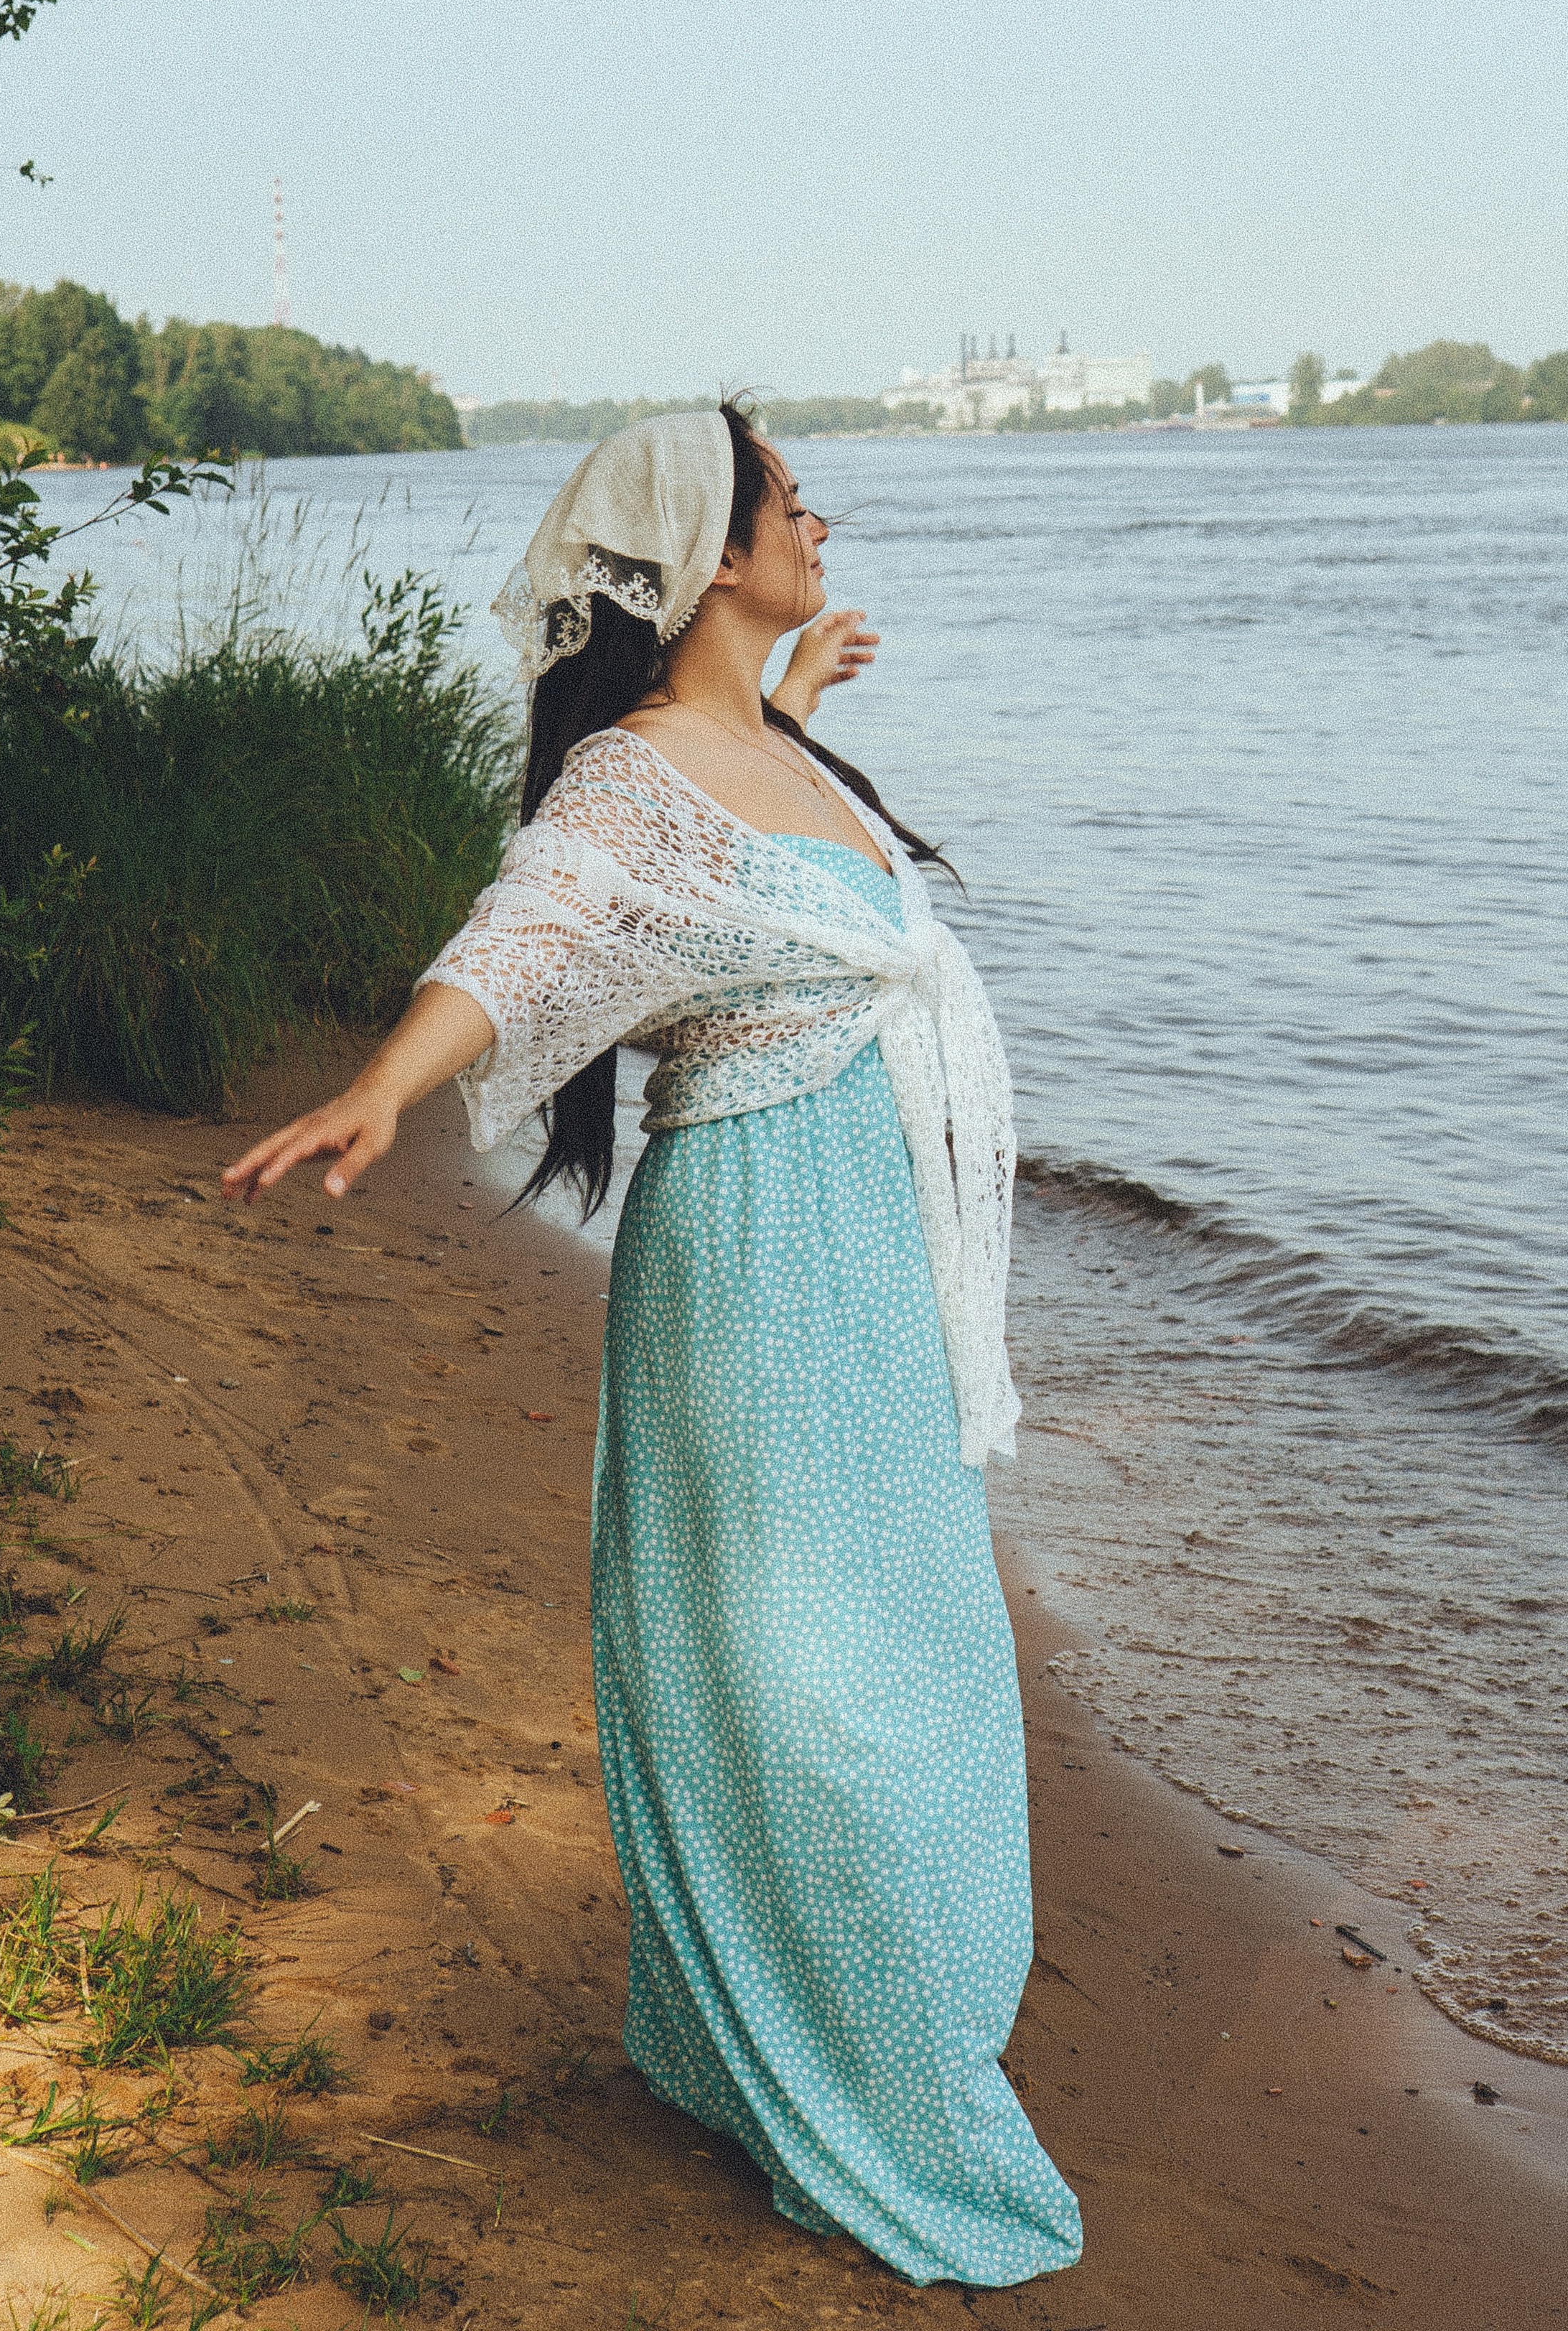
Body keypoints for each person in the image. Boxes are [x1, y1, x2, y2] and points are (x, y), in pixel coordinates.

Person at [223, 404, 1083, 2287]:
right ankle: (826, 2061)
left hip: (872, 1258)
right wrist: (385, 1088)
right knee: (805, 1679)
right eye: (792, 504)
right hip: (759, 1262)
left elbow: (780, 844)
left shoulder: (760, 739)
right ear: (707, 549)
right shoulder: (629, 780)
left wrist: (784, 669)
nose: (824, 517)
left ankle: (845, 2031)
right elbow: (524, 938)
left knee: (917, 1651)